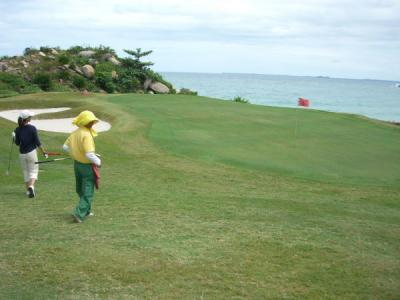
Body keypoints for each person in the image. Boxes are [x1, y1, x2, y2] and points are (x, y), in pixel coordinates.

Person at [63, 110, 101, 223]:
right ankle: (79, 213)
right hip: (87, 167)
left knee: (80, 188)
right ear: (86, 122)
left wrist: (74, 153)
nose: (93, 123)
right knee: (88, 190)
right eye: (91, 121)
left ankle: (87, 210)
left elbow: (65, 147)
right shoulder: (86, 135)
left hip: (77, 165)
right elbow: (89, 154)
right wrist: (98, 162)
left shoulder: (75, 132)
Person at [14, 110, 47, 198]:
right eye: (30, 117)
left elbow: (17, 143)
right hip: (31, 153)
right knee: (33, 171)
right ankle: (31, 187)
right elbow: (37, 142)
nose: (31, 118)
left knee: (26, 172)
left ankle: (28, 191)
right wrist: (43, 152)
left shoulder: (17, 129)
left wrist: (14, 137)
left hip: (22, 154)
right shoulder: (32, 128)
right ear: (27, 118)